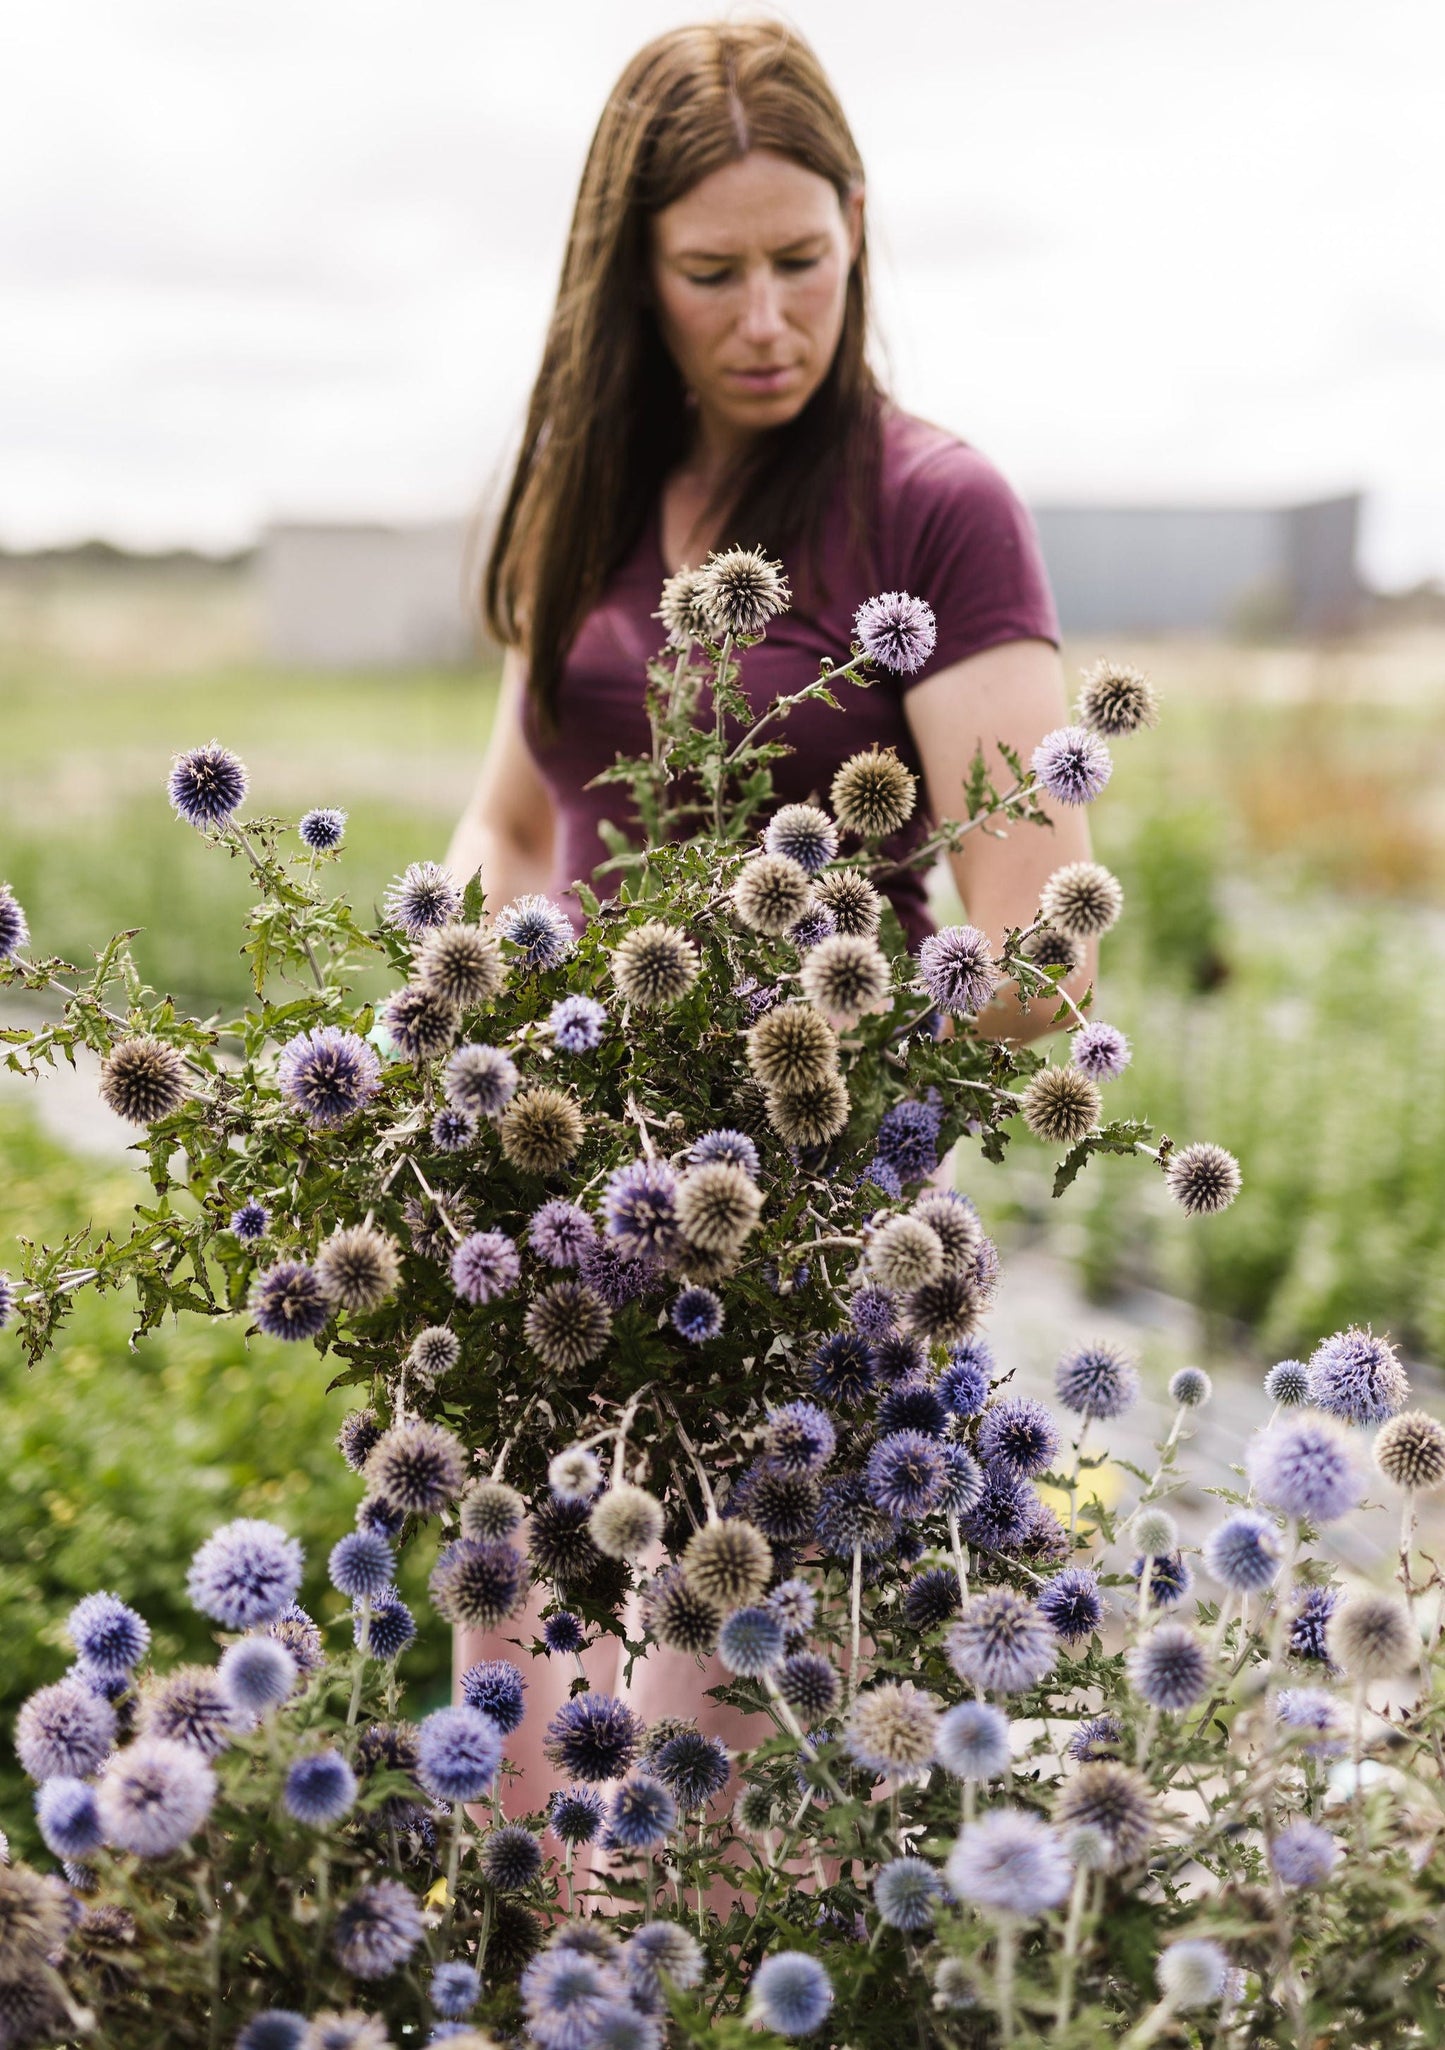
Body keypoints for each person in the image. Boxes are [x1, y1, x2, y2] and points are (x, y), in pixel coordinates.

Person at [445, 20, 1095, 1856]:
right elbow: (508, 824)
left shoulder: (936, 509)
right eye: (709, 271)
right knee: (507, 1779)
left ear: (860, 230)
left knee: (686, 1821)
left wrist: (805, 1130)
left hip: (786, 1259)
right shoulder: (575, 491)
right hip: (544, 1228)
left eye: (800, 262)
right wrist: (461, 1063)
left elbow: (1034, 954)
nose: (762, 319)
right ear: (627, 275)